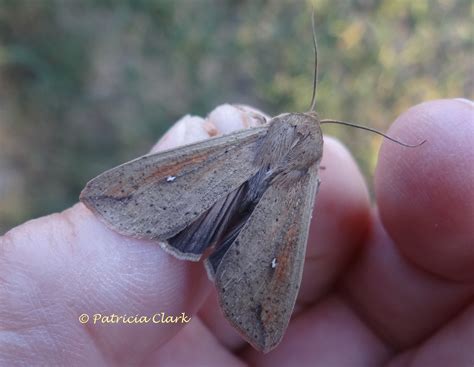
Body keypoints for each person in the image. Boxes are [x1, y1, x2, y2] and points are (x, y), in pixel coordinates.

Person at [0, 99, 472, 366]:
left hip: (229, 165)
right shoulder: (309, 176)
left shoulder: (259, 134)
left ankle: (196, 237)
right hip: (275, 206)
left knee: (160, 186)